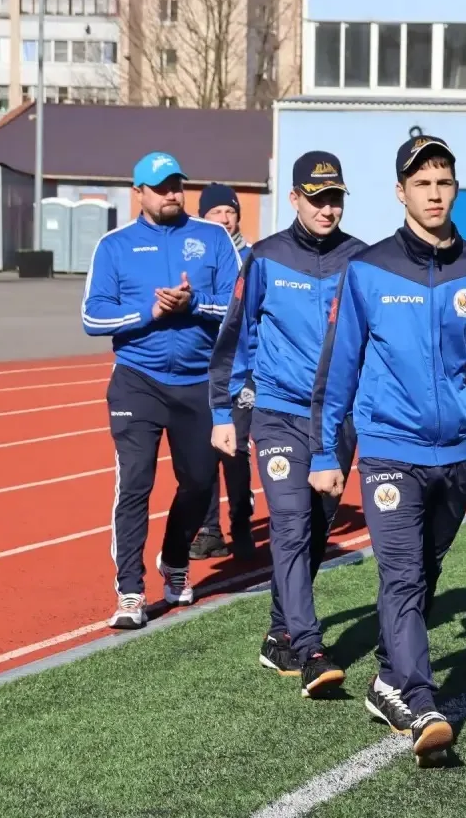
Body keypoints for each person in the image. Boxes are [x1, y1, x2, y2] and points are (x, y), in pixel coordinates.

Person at [308, 135, 466, 765]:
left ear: (454, 189)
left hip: (457, 454)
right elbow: (338, 367)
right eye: (421, 184)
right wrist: (324, 454)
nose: (434, 194)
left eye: (443, 182)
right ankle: (420, 698)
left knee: (426, 572)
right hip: (389, 449)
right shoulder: (368, 270)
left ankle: (388, 679)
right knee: (403, 573)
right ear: (400, 192)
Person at [208, 152, 367, 697]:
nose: (327, 209)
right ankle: (310, 648)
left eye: (335, 198)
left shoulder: (362, 261)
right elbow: (235, 336)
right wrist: (223, 412)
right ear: (294, 198)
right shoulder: (265, 258)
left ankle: (279, 631)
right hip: (278, 414)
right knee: (292, 524)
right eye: (316, 198)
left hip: (337, 421)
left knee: (316, 531)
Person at [81, 151, 241, 630]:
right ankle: (130, 591)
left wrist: (194, 305)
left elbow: (239, 304)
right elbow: (92, 316)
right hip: (138, 381)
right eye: (161, 187)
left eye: (177, 185)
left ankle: (173, 558)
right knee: (135, 483)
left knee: (199, 483)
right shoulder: (114, 246)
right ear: (138, 193)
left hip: (199, 382)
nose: (172, 194)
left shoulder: (212, 238)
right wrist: (149, 312)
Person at [190, 182, 256, 562]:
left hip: (242, 371)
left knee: (236, 449)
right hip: (201, 371)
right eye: (216, 212)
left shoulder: (254, 258)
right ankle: (210, 530)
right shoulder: (196, 257)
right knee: (203, 452)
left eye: (230, 211)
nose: (224, 218)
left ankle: (241, 524)